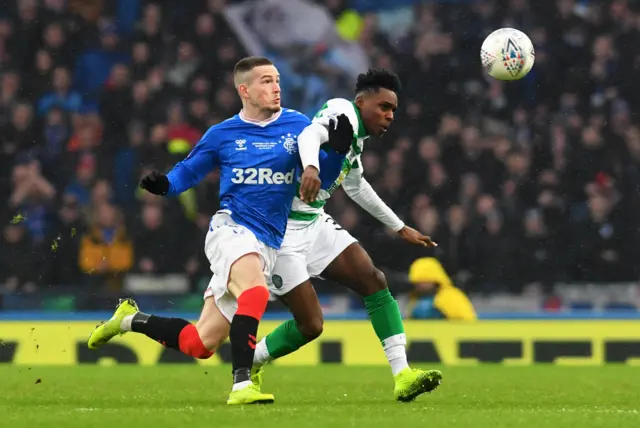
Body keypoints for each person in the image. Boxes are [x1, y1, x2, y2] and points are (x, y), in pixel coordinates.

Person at [86, 56, 352, 405]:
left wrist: (337, 151)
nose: (276, 88)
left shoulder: (298, 127)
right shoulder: (223, 134)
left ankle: (128, 319)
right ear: (245, 90)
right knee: (254, 292)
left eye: (277, 81)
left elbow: (323, 179)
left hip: (270, 241)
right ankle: (242, 384)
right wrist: (165, 185)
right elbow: (189, 171)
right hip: (232, 230)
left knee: (200, 344)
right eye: (266, 82)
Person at [251, 69, 442, 402]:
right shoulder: (343, 113)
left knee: (373, 279)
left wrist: (398, 226)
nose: (389, 116)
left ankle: (403, 375)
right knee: (310, 325)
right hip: (279, 232)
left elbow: (355, 185)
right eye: (383, 107)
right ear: (361, 101)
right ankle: (251, 360)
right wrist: (311, 167)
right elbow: (309, 135)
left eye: (393, 110)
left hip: (312, 222)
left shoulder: (355, 139)